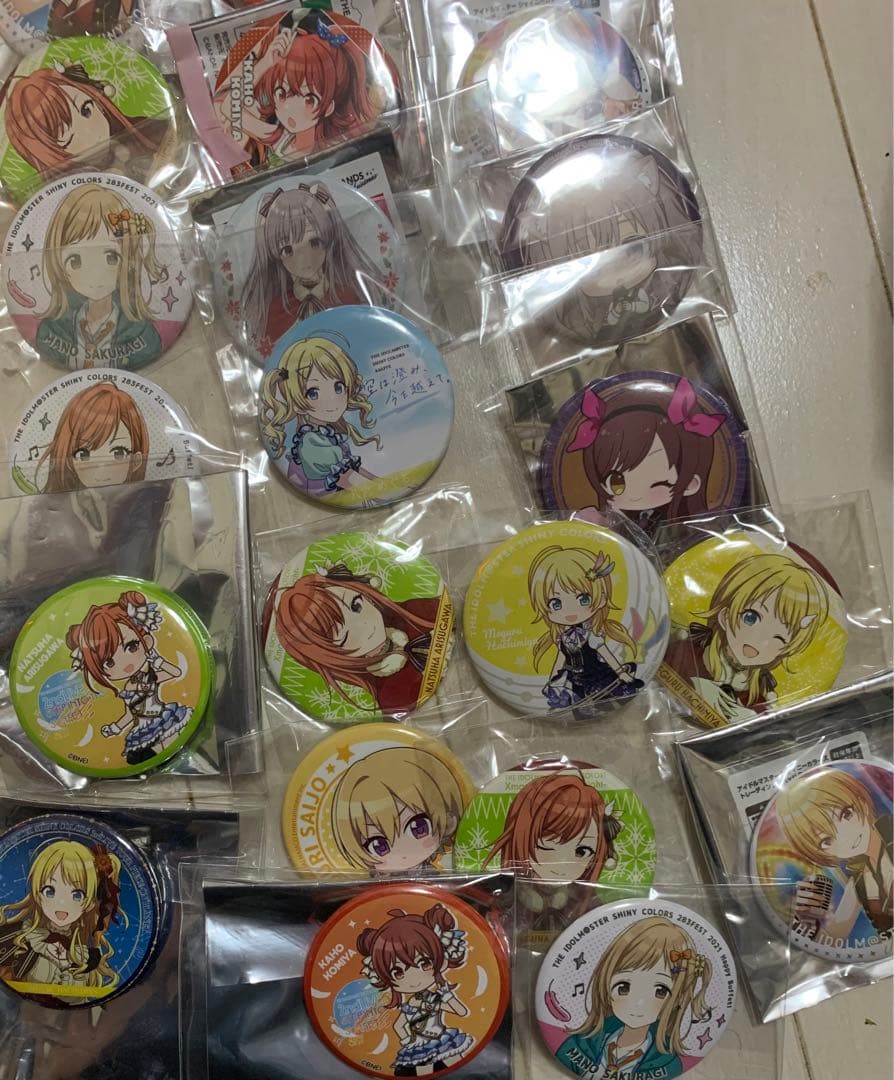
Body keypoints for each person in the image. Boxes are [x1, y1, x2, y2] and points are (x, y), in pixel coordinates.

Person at [663, 552, 829, 724]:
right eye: (751, 617)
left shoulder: (759, 701)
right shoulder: (684, 654)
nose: (760, 640)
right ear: (725, 616)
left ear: (786, 650)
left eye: (779, 638)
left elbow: (763, 726)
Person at [275, 562, 443, 714]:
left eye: (356, 605)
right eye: (344, 637)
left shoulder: (416, 612)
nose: (364, 625)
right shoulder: (391, 695)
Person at [557, 917, 712, 1079]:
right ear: (605, 983)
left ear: (677, 999)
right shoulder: (583, 1043)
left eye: (660, 991)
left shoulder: (667, 1062)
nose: (638, 1003)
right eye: (624, 987)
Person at [240, 182, 384, 353]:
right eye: (287, 250)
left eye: (315, 242)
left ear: (329, 242)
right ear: (275, 257)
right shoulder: (275, 312)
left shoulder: (348, 296)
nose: (303, 258)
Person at [565, 376, 725, 530]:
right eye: (617, 483)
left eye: (655, 484)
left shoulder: (698, 524)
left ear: (690, 484)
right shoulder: (614, 520)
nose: (634, 496)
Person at [34, 183, 166, 369]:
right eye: (75, 260)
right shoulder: (52, 330)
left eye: (111, 257)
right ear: (58, 264)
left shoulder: (142, 333)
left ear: (129, 262)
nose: (95, 273)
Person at [67, 589, 192, 765]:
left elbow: (175, 673)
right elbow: (129, 714)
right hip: (142, 728)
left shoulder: (150, 677)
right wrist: (115, 728)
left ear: (146, 641)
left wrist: (159, 661)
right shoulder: (127, 690)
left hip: (163, 719)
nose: (125, 663)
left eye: (132, 646)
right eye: (109, 662)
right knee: (149, 757)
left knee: (171, 749)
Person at [357, 903, 474, 1077]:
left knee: (453, 1064)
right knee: (423, 1070)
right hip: (419, 1045)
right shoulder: (411, 1004)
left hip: (440, 1040)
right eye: (397, 972)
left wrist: (448, 996)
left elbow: (462, 1011)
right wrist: (408, 1041)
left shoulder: (435, 999)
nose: (413, 979)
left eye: (425, 963)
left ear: (441, 960)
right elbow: (399, 1025)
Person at [776, 768, 893, 938]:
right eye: (826, 841)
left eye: (846, 814)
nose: (846, 837)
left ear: (861, 803)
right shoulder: (858, 881)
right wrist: (806, 920)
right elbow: (833, 937)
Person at [259, 335, 381, 496]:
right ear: (297, 405)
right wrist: (383, 491)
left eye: (338, 387)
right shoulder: (311, 443)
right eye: (313, 393)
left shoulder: (325, 436)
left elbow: (353, 472)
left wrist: (385, 484)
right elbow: (348, 479)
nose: (331, 399)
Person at [0, 839, 122, 995]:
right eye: (49, 891)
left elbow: (85, 996)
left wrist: (71, 989)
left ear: (90, 903)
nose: (62, 903)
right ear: (38, 895)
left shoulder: (85, 955)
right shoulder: (18, 936)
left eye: (77, 895)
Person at [4, 61, 168, 176]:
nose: (89, 131)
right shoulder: (65, 196)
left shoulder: (149, 131)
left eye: (86, 110)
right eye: (67, 138)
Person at [528, 545, 643, 708]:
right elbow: (560, 660)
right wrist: (552, 681)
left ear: (601, 598)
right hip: (576, 681)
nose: (570, 611)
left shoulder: (591, 635)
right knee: (580, 708)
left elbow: (606, 654)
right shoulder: (563, 638)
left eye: (583, 599)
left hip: (597, 677)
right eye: (556, 603)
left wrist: (621, 673)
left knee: (606, 703)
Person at [331, 746, 466, 875]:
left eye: (418, 827)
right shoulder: (375, 878)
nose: (403, 850)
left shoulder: (445, 863)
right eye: (379, 846)